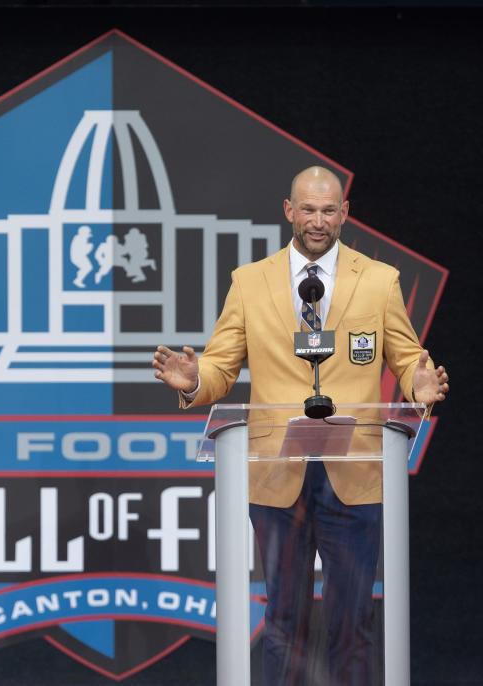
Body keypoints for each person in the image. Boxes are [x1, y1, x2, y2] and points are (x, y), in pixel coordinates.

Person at [152, 166, 449, 685]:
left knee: (352, 623)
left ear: (345, 215)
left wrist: (417, 386)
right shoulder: (250, 282)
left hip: (354, 473)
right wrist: (194, 380)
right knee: (284, 622)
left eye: (329, 210)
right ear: (289, 211)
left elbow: (407, 359)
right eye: (308, 209)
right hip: (277, 473)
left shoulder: (379, 282)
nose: (318, 220)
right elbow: (221, 368)